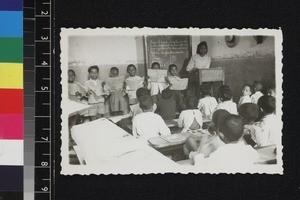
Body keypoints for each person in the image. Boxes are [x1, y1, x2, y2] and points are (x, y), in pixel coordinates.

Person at [192, 115, 259, 170]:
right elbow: (256, 158)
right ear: (242, 134)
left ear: (221, 135)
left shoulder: (218, 154)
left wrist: (202, 145)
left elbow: (199, 166)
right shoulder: (250, 150)